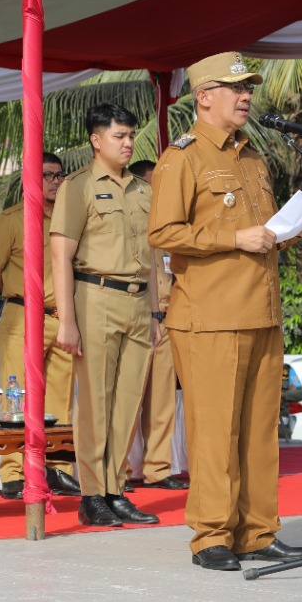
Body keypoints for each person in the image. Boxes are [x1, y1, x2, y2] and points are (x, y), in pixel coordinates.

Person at [148, 52, 302, 571]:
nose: (246, 96)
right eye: (235, 88)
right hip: (210, 317)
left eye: (249, 88)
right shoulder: (182, 158)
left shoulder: (252, 158)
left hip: (261, 312)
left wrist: (290, 233)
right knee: (215, 430)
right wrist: (233, 235)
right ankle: (211, 536)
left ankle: (258, 532)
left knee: (258, 432)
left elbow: (259, 239)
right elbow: (162, 234)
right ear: (204, 97)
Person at [53, 103, 158, 528]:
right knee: (95, 402)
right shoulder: (77, 187)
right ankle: (92, 494)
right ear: (96, 140)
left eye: (131, 135)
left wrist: (155, 310)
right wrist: (66, 320)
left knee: (128, 402)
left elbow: (154, 254)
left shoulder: (142, 189)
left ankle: (116, 489)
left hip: (136, 301)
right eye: (120, 136)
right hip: (94, 296)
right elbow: (61, 254)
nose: (129, 143)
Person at [0, 151, 80, 500]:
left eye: (59, 175)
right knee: (17, 395)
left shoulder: (70, 219)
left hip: (63, 317)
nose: (56, 181)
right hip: (23, 315)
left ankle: (60, 468)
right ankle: (13, 472)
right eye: (48, 175)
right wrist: (20, 294)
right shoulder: (11, 220)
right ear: (30, 180)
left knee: (60, 398)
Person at [128, 158, 186, 491]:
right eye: (153, 184)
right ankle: (118, 473)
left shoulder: (168, 229)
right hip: (138, 320)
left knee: (163, 404)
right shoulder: (131, 224)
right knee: (128, 402)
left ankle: (158, 469)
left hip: (167, 321)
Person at [279, 363, 302, 442]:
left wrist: (282, 394)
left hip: (282, 426)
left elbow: (300, 394)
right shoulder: (257, 367)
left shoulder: (286, 370)